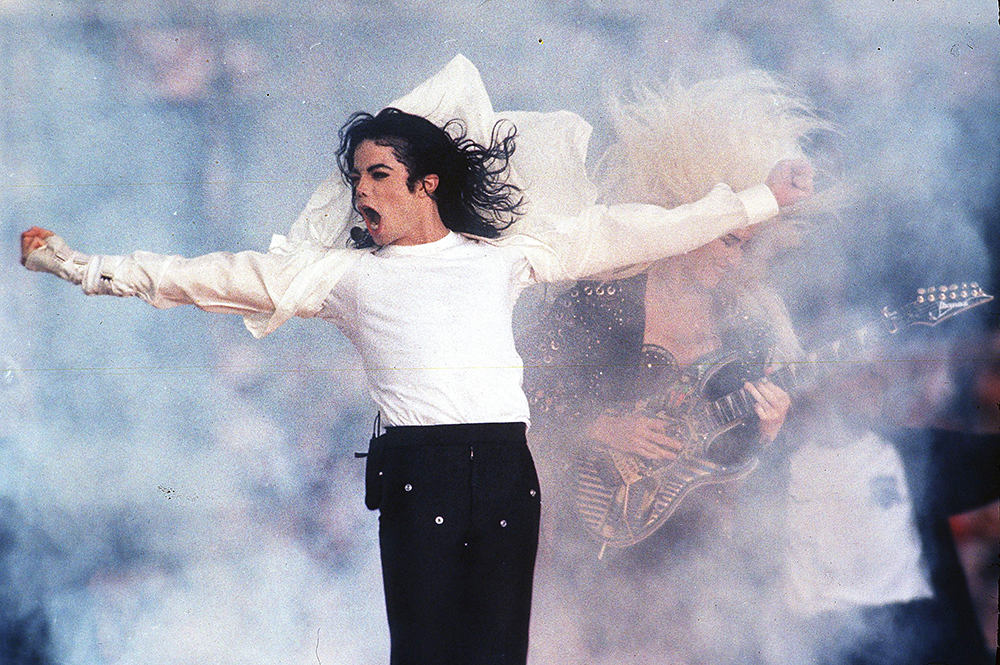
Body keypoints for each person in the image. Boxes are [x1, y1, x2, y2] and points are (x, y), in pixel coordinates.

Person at [19, 56, 812, 664]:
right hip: (419, 473)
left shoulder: (503, 257)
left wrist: (761, 200)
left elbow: (632, 231)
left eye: (378, 175)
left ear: (425, 182)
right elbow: (203, 276)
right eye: (355, 177)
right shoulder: (340, 275)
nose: (361, 192)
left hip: (505, 469)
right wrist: (79, 266)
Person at [520, 72, 823, 662]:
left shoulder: (753, 331)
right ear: (688, 216)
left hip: (685, 558)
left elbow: (736, 482)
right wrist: (597, 425)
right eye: (730, 240)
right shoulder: (596, 296)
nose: (742, 264)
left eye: (755, 246)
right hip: (570, 541)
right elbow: (515, 393)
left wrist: (768, 435)